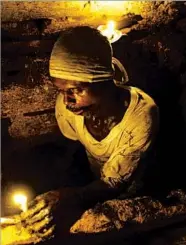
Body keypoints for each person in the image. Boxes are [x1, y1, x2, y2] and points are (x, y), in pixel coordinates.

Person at [19, 26, 159, 237]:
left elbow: (114, 184)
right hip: (93, 183)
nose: (67, 102)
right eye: (62, 91)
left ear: (103, 81)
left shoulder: (141, 117)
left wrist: (68, 197)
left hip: (136, 193)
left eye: (76, 90)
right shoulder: (70, 107)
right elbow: (73, 147)